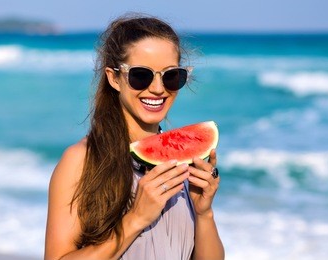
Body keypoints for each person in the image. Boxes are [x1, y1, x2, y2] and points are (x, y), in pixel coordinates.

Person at [44, 13, 224, 260]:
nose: (158, 89)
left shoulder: (182, 165)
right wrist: (136, 218)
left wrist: (204, 213)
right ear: (114, 77)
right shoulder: (80, 160)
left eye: (171, 75)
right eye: (141, 75)